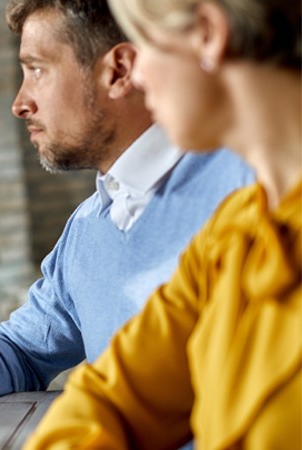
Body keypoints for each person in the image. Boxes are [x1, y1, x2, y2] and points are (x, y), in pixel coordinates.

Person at [0, 0, 253, 416]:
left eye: (37, 70)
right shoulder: (88, 228)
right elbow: (21, 350)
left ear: (118, 71)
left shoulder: (250, 186)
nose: (20, 103)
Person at [26, 0, 301, 448]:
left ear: (209, 34)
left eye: (145, 43)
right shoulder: (235, 233)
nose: (139, 74)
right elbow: (111, 398)